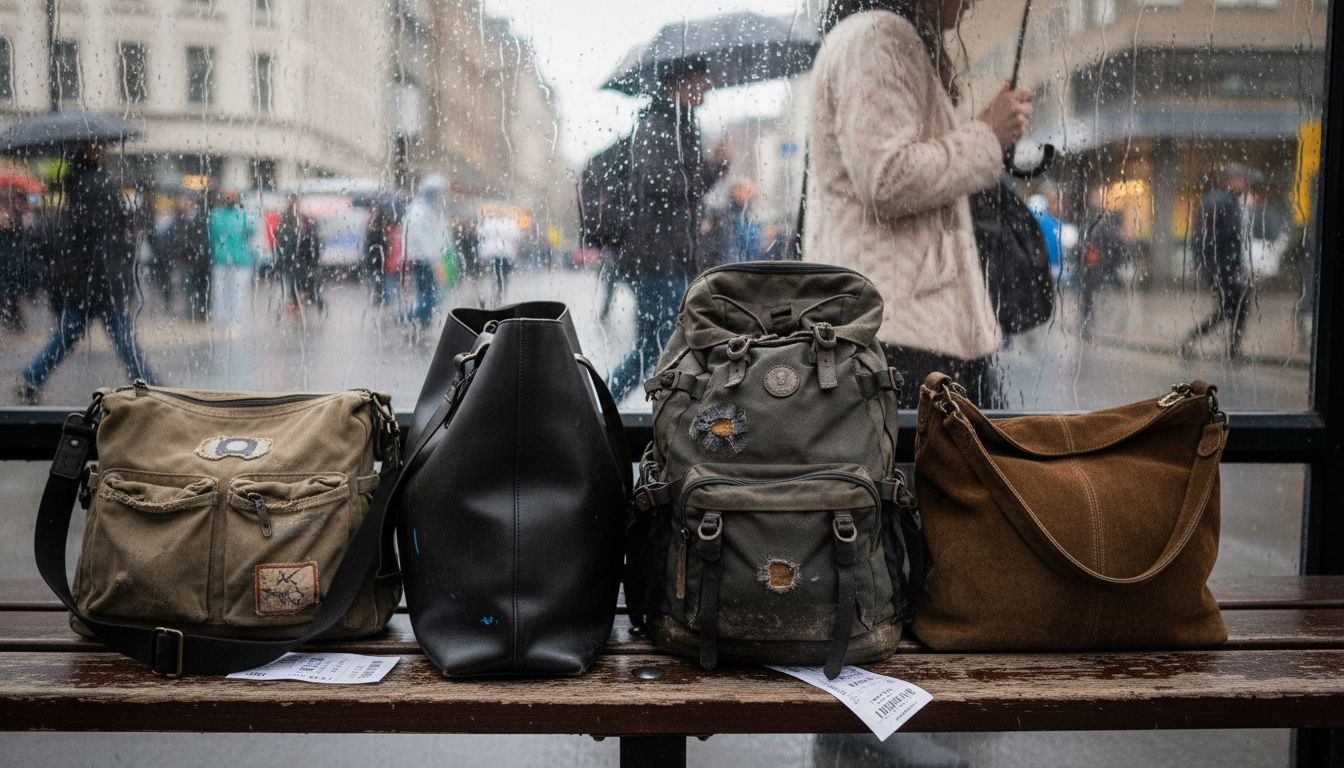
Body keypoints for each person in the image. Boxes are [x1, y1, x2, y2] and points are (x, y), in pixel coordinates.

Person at [805, 0, 1034, 409]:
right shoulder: (875, 39)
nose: (972, 4)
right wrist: (987, 134)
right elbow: (888, 177)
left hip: (906, 329)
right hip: (898, 339)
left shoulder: (879, 38)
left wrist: (983, 130)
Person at [607, 62, 730, 403]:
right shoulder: (657, 124)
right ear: (679, 81)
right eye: (700, 80)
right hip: (656, 260)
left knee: (658, 349)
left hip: (671, 256)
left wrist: (712, 168)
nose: (706, 87)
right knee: (660, 349)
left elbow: (683, 191)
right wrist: (712, 168)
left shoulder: (679, 124)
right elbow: (658, 183)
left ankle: (599, 405)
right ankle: (597, 405)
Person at [16, 142, 156, 402]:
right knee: (121, 335)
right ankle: (148, 385)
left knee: (69, 333)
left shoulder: (76, 180)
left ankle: (32, 377)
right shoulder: (97, 183)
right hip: (100, 278)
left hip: (85, 276)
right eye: (96, 146)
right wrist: (121, 219)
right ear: (87, 151)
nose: (103, 150)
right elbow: (101, 234)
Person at [1181, 164, 1252, 359]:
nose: (1245, 184)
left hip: (1222, 267)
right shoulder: (1220, 202)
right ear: (1231, 181)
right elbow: (1210, 238)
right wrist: (1212, 268)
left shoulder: (1226, 201)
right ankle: (1195, 340)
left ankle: (1230, 348)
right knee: (1232, 308)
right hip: (1220, 268)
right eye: (1242, 179)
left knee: (1234, 307)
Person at [401, 175, 453, 330]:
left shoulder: (427, 209)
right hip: (423, 259)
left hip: (426, 258)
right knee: (427, 294)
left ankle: (422, 320)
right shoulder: (419, 210)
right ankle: (412, 319)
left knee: (428, 293)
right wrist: (433, 257)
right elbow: (421, 237)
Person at [207, 188, 256, 333]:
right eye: (226, 196)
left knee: (238, 291)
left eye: (232, 196)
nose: (229, 198)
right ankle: (220, 320)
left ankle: (236, 320)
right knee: (220, 291)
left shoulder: (242, 215)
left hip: (240, 260)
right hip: (221, 259)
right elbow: (212, 236)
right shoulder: (216, 215)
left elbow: (251, 232)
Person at [162, 192, 211, 321]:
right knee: (187, 287)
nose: (183, 204)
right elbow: (173, 237)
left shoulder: (201, 217)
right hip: (184, 259)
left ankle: (201, 311)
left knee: (200, 287)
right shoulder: (177, 218)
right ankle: (190, 313)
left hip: (199, 260)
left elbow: (204, 238)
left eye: (186, 201)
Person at [273, 194, 324, 315]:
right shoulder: (285, 219)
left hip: (301, 259)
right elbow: (281, 240)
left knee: (304, 285)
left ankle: (307, 303)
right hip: (291, 259)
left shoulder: (303, 219)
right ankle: (297, 305)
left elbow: (313, 241)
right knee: (293, 286)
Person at [476, 212, 520, 306]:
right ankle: (499, 293)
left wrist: (481, 253)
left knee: (495, 274)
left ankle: (496, 292)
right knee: (503, 276)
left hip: (492, 254)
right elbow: (515, 240)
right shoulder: (511, 224)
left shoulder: (489, 223)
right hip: (506, 254)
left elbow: (481, 238)